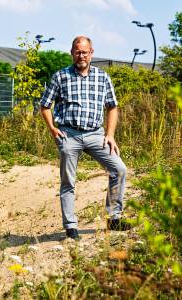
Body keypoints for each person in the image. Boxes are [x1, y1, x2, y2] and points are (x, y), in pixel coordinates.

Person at [40, 36, 131, 240]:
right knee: (68, 182)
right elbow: (45, 106)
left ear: (91, 53)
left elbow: (113, 107)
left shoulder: (102, 77)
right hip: (69, 135)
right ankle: (71, 227)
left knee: (119, 169)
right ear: (72, 53)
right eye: (77, 52)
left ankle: (114, 218)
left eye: (85, 52)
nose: (81, 55)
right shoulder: (60, 77)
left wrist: (110, 135)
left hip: (95, 134)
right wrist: (53, 129)